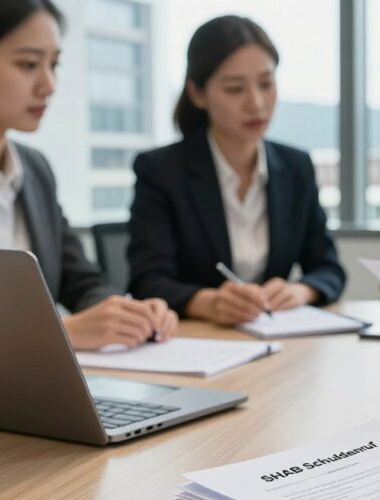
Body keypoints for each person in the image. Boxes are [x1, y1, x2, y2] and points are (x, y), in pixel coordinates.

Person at [0, 0, 177, 351]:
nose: (49, 84)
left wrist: (128, 314)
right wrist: (62, 333)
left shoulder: (35, 169)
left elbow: (82, 281)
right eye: (28, 64)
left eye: (53, 64)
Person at [127, 16, 346, 325]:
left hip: (276, 341)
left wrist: (301, 291)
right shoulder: (161, 171)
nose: (256, 103)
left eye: (266, 84)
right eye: (235, 89)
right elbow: (147, 282)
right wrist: (209, 303)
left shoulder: (296, 167)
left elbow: (329, 269)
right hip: (197, 343)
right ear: (197, 94)